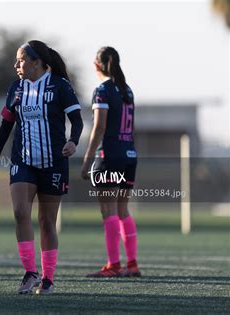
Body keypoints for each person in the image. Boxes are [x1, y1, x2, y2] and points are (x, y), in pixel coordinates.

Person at [0, 40, 83, 295]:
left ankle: (48, 278)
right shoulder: (16, 88)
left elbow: (76, 120)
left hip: (53, 163)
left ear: (37, 62)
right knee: (20, 212)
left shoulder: (59, 86)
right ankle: (30, 272)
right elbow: (6, 125)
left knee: (46, 221)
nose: (16, 64)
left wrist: (73, 142)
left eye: (21, 59)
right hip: (22, 161)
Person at [80, 46, 141, 277]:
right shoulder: (128, 90)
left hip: (110, 156)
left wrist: (86, 162)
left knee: (108, 211)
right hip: (129, 154)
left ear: (96, 65)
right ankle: (132, 264)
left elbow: (99, 128)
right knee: (123, 210)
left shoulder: (102, 90)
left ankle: (114, 265)